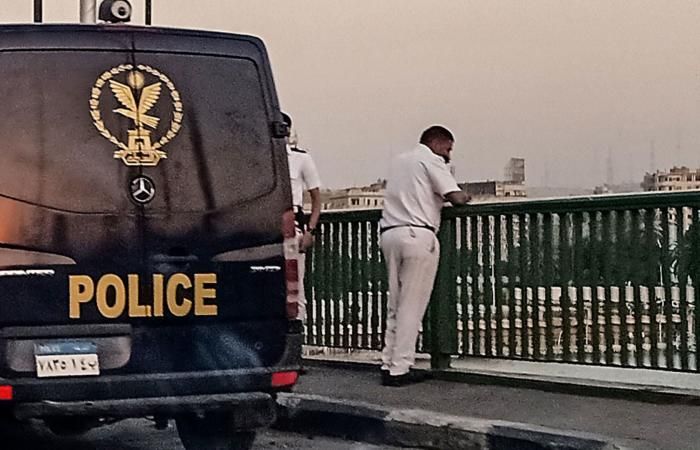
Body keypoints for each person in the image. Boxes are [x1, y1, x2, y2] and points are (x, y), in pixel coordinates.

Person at [379, 125, 470, 387]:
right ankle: (400, 368)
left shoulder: (399, 161)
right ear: (437, 143)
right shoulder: (431, 160)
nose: (448, 155)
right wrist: (466, 196)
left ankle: (387, 362)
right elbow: (455, 196)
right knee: (412, 305)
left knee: (395, 304)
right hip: (418, 235)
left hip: (390, 233)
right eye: (448, 149)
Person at [283, 112, 321, 322]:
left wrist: (310, 230)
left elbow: (316, 198)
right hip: (269, 222)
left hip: (293, 222)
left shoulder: (301, 159)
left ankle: (298, 327)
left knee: (296, 283)